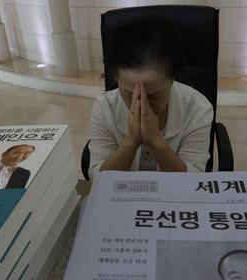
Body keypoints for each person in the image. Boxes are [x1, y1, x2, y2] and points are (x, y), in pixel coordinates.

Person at [87, 16, 213, 179]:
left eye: (153, 94)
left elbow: (194, 180)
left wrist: (156, 141)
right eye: (128, 93)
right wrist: (131, 141)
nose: (140, 102)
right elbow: (97, 178)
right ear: (116, 79)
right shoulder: (104, 107)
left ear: (173, 78)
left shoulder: (198, 108)